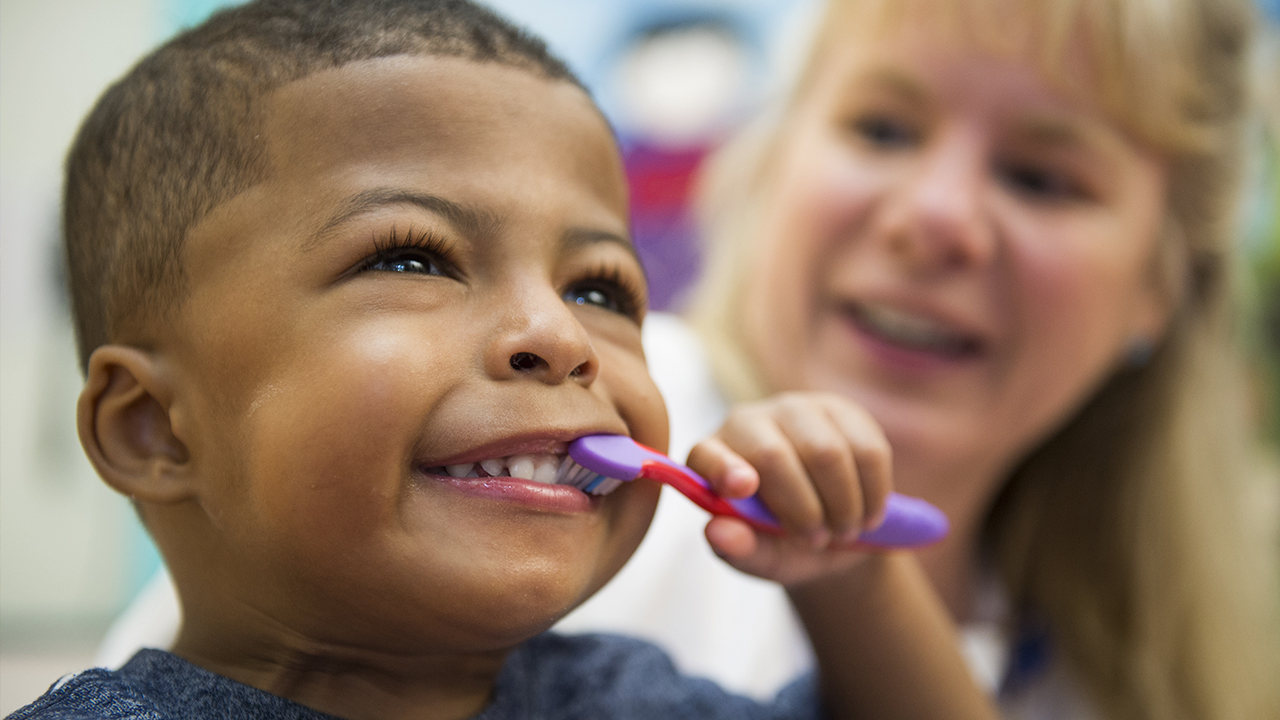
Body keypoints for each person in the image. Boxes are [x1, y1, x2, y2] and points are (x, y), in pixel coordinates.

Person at [7, 1, 999, 719]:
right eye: (413, 257)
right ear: (151, 428)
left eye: (599, 288)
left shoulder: (629, 701)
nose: (560, 337)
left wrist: (847, 583)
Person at [561, 0, 1280, 717]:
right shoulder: (584, 416)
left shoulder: (1144, 682)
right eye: (882, 130)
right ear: (776, 155)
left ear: (1163, 282)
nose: (936, 217)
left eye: (1040, 178)